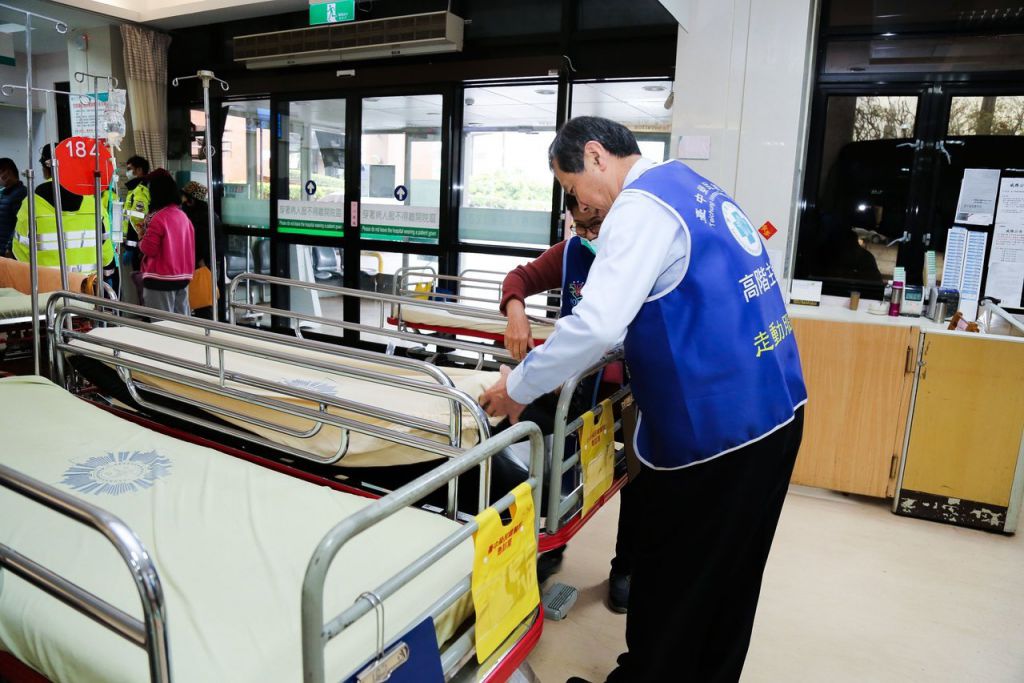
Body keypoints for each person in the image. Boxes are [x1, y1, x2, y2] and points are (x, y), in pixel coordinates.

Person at [478, 117, 807, 683]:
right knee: (731, 577)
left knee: (679, 572)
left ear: (596, 156)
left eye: (570, 186)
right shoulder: (690, 186)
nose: (576, 203)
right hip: (775, 411)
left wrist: (516, 386)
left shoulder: (641, 207)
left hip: (720, 431)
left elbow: (597, 325)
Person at [498, 193, 635, 613]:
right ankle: (540, 542)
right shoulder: (574, 251)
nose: (590, 235)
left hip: (625, 392)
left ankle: (626, 568)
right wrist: (516, 311)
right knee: (520, 434)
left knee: (635, 476)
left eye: (597, 225)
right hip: (573, 390)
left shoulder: (634, 252)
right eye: (581, 226)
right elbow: (519, 278)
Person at [12, 145, 116, 283]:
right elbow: (106, 249)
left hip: (47, 293)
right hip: (87, 289)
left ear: (45, 168)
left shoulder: (31, 204)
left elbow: (20, 252)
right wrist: (108, 272)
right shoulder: (92, 202)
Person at [137, 171, 194, 315]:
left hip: (160, 279)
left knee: (162, 327)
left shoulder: (158, 218)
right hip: (183, 278)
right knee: (181, 327)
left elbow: (149, 249)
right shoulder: (183, 217)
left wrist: (141, 239)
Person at [180, 180, 226, 319]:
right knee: (203, 301)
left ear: (192, 199)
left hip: (203, 265)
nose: (182, 200)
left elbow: (200, 244)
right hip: (207, 263)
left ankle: (206, 334)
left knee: (202, 303)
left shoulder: (200, 217)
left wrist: (195, 261)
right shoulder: (206, 213)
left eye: (184, 196)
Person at [122, 155, 151, 305]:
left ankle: (146, 318)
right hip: (137, 246)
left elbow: (137, 220)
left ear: (139, 170)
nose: (127, 173)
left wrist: (130, 246)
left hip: (139, 248)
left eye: (129, 169)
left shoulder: (140, 190)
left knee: (142, 284)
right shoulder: (135, 189)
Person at [0, 158, 27, 258]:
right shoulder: (6, 193)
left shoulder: (20, 194)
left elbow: (19, 223)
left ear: (8, 173)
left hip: (8, 252)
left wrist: (9, 248)